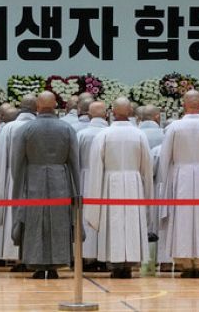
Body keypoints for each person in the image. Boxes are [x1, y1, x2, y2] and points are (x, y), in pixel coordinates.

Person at [157, 90, 199, 278]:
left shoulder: (174, 127)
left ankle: (185, 262)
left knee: (182, 218)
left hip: (181, 176)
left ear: (184, 104)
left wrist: (164, 184)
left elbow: (165, 159)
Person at [10, 91, 78, 280]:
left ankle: (36, 263)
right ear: (55, 105)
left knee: (34, 221)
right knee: (59, 222)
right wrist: (76, 190)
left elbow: (17, 162)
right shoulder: (67, 129)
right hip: (60, 180)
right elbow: (74, 162)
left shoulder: (25, 129)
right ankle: (57, 263)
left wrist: (18, 185)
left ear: (37, 107)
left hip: (33, 179)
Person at [83, 97, 154, 279]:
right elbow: (147, 167)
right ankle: (129, 263)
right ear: (130, 111)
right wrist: (147, 194)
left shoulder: (103, 135)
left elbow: (96, 167)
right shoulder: (139, 135)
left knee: (112, 223)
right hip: (134, 184)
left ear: (112, 112)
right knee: (131, 222)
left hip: (109, 184)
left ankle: (114, 263)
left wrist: (94, 197)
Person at [0, 94, 36, 269]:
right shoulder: (36, 126)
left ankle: (6, 252)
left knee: (10, 216)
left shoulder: (9, 128)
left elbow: (0, 159)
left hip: (10, 179)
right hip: (34, 181)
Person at [76, 99, 109, 272]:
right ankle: (103, 256)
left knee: (85, 216)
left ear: (89, 115)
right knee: (103, 216)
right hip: (104, 179)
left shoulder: (81, 134)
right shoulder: (108, 132)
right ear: (106, 114)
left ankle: (85, 256)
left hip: (84, 178)